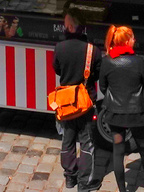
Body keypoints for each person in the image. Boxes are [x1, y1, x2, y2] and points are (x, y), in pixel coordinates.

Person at [96, 25, 144, 191]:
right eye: (132, 37)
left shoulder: (107, 61)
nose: (134, 40)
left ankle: (122, 190)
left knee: (118, 152)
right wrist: (138, 101)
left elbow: (103, 87)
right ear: (126, 41)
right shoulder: (138, 61)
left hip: (115, 115)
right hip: (136, 114)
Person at [51, 10, 99, 189]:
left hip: (65, 104)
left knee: (68, 140)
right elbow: (97, 74)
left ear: (70, 27)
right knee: (87, 143)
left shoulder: (59, 48)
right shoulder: (92, 50)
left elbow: (57, 69)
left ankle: (70, 177)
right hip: (86, 103)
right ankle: (84, 183)